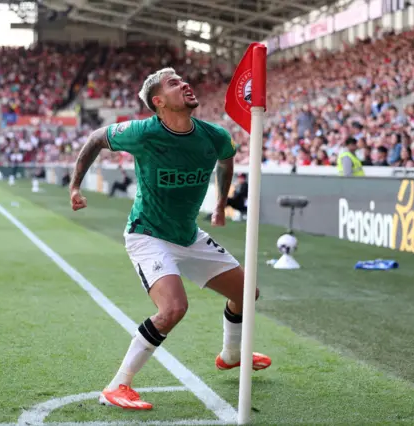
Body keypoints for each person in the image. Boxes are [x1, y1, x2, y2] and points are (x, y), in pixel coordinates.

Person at [68, 67, 271, 411]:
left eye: (183, 80)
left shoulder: (214, 135)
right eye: (174, 84)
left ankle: (231, 354)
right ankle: (117, 386)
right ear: (158, 102)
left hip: (188, 235)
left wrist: (220, 205)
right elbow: (95, 140)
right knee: (174, 308)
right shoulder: (141, 132)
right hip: (148, 234)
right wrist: (74, 186)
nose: (185, 85)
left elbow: (226, 161)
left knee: (246, 293)